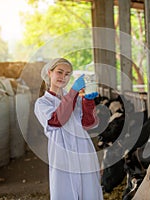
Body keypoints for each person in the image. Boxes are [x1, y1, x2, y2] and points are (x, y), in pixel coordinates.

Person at [34, 58, 103, 200]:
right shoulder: (42, 103)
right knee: (65, 192)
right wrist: (73, 91)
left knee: (88, 192)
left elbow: (88, 124)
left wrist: (88, 101)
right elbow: (57, 120)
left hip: (83, 149)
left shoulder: (75, 99)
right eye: (59, 72)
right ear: (50, 73)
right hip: (62, 154)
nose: (63, 77)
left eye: (67, 74)